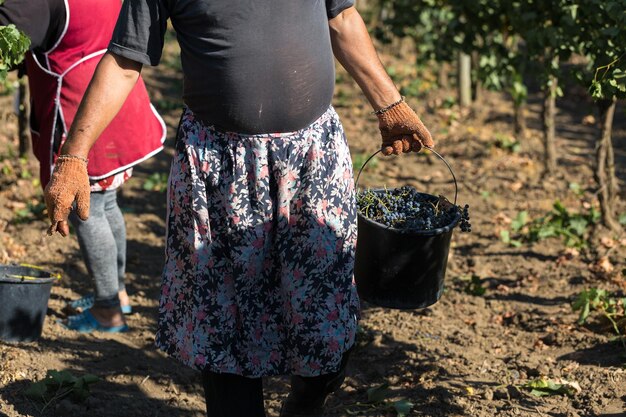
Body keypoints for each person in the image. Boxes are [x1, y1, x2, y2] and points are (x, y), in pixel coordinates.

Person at [44, 0, 435, 415]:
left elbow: (341, 19)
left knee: (326, 318)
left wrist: (389, 101)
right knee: (225, 326)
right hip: (218, 165)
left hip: (311, 157)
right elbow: (125, 59)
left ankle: (307, 399)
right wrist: (74, 155)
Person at [0, 0, 166, 332]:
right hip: (118, 102)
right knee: (106, 202)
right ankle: (117, 293)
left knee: (84, 209)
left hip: (82, 113)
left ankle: (107, 310)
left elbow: (8, 36)